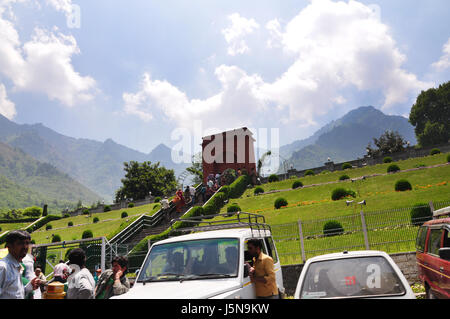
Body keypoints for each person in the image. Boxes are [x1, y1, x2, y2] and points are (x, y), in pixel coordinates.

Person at [0, 230, 40, 299]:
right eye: (20, 243)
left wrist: (30, 286)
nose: (25, 247)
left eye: (27, 243)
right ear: (9, 246)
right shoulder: (3, 267)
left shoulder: (17, 266)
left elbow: (14, 294)